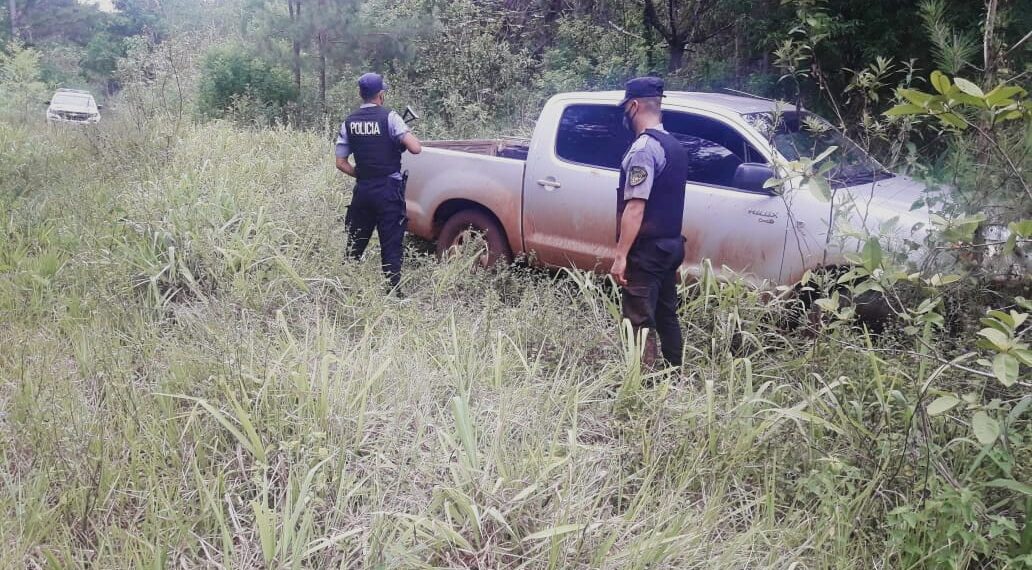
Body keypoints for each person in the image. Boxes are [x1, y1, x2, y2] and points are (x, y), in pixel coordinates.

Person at [609, 76, 688, 369]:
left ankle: (640, 385)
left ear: (633, 106)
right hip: (671, 246)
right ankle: (673, 374)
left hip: (648, 250)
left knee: (638, 318)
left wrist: (620, 255)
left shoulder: (644, 148)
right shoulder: (674, 146)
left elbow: (635, 208)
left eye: (626, 110)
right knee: (667, 314)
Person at [335, 72, 422, 294]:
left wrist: (363, 174)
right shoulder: (390, 118)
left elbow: (340, 163)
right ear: (381, 95)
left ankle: (345, 287)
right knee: (391, 242)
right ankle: (394, 293)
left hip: (363, 191)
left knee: (356, 242)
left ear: (360, 94)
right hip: (388, 192)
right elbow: (416, 147)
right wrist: (399, 139)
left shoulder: (349, 122)